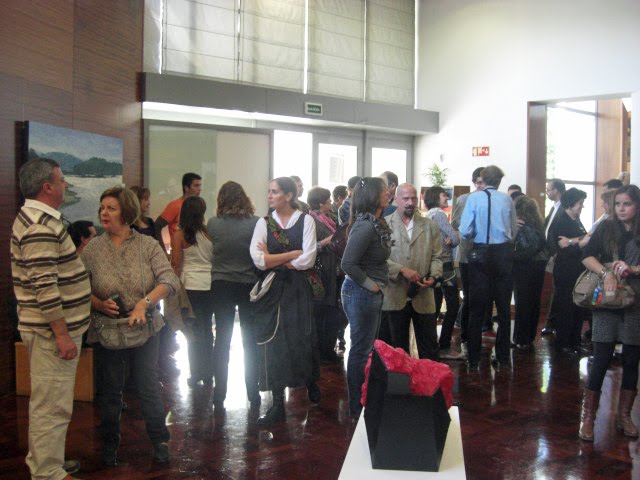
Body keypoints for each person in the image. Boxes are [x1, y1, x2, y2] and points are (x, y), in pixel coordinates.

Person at [81, 186, 180, 466]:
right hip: (107, 330)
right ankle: (109, 445)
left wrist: (143, 303)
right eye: (102, 207)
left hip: (144, 328)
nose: (104, 212)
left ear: (126, 212)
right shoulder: (93, 249)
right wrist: (98, 304)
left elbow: (170, 280)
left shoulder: (147, 245)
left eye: (111, 208)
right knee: (111, 391)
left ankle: (159, 440)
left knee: (148, 385)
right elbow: (77, 287)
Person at [11, 158, 91, 480]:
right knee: (52, 406)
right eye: (61, 180)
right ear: (47, 187)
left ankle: (47, 462)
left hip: (51, 332)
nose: (66, 184)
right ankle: (48, 473)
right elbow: (44, 288)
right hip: (51, 335)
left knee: (49, 402)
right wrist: (61, 334)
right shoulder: (40, 226)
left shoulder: (37, 218)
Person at [249, 177, 318, 425]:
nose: (269, 196)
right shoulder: (263, 222)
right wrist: (290, 256)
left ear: (288, 196)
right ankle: (277, 403)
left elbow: (308, 259)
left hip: (297, 290)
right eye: (268, 191)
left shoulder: (306, 220)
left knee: (302, 340)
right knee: (274, 344)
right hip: (273, 291)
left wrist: (273, 257)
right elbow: (258, 259)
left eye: (275, 192)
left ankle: (310, 381)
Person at [580, 184, 640, 441]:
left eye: (626, 203)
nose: (622, 208)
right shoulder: (606, 227)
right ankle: (588, 417)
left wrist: (633, 269)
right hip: (608, 298)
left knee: (631, 359)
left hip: (635, 299)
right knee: (601, 357)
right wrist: (606, 273)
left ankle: (624, 415)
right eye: (618, 204)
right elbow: (586, 255)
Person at [207, 181, 261, 410]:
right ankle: (253, 392)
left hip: (220, 284)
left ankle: (219, 394)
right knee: (250, 340)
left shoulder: (213, 224)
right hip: (248, 284)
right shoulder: (256, 223)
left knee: (222, 340)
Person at [341, 177, 392, 417]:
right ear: (373, 196)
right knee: (361, 351)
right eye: (385, 190)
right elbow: (348, 263)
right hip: (361, 293)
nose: (389, 193)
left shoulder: (374, 223)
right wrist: (372, 286)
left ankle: (362, 403)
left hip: (367, 293)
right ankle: (356, 408)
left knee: (365, 349)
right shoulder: (365, 225)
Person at [459, 165, 518, 370]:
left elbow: (465, 231)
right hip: (503, 255)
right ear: (499, 181)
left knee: (476, 308)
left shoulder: (474, 199)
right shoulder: (507, 199)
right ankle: (502, 356)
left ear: (483, 179)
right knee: (503, 310)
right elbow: (514, 229)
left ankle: (474, 358)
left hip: (480, 255)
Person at [381, 183, 443, 360]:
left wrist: (434, 276)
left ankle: (429, 386)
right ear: (396, 200)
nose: (410, 202)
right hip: (395, 293)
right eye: (406, 198)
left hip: (423, 294)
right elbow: (378, 260)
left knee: (429, 346)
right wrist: (401, 270)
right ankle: (400, 387)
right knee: (396, 349)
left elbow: (437, 256)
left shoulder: (429, 225)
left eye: (414, 198)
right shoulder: (384, 225)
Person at [171, 196, 214, 387]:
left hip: (190, 286)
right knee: (207, 330)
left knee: (193, 331)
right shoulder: (208, 233)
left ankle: (196, 373)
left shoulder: (180, 235)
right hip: (209, 284)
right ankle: (208, 373)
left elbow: (176, 265)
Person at [546, 187, 590, 355]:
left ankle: (575, 341)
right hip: (566, 270)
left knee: (577, 306)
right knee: (566, 306)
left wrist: (573, 241)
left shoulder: (575, 220)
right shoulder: (561, 221)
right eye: (580, 203)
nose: (582, 207)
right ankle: (565, 343)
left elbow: (583, 239)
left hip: (576, 269)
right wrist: (578, 242)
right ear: (571, 204)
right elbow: (562, 247)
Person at [451, 166, 486, 358]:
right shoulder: (465, 199)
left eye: (484, 182)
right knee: (469, 295)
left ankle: (476, 333)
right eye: (479, 182)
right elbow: (456, 222)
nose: (481, 186)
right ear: (474, 183)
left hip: (487, 255)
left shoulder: (494, 200)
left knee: (482, 297)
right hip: (467, 254)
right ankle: (465, 335)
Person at [424, 186, 463, 359]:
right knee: (453, 305)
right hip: (445, 265)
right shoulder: (439, 214)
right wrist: (454, 237)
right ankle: (444, 343)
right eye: (443, 195)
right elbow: (454, 238)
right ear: (435, 197)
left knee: (436, 305)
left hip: (435, 264)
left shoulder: (428, 215)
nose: (446, 197)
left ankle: (432, 345)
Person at [307, 186, 342, 363]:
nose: (331, 203)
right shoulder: (311, 221)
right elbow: (309, 248)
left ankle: (327, 349)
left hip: (331, 272)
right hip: (320, 273)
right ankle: (321, 352)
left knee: (331, 313)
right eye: (328, 200)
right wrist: (328, 241)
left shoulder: (328, 219)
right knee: (322, 313)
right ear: (321, 203)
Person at [512, 195, 548, 350]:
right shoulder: (538, 224)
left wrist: (510, 255)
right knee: (533, 302)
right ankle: (530, 336)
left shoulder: (522, 225)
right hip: (539, 266)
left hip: (524, 267)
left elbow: (525, 250)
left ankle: (521, 338)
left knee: (523, 303)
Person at [541, 178, 566, 336]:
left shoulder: (563, 208)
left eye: (549, 189)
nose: (547, 192)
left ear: (556, 190)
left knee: (557, 289)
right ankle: (552, 321)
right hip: (550, 253)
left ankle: (553, 321)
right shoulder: (554, 208)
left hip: (558, 254)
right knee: (554, 288)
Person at [155, 172, 202, 249]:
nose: (200, 189)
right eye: (196, 186)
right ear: (186, 188)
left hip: (195, 251)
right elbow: (157, 226)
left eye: (200, 185)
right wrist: (162, 250)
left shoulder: (199, 205)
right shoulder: (175, 205)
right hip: (179, 251)